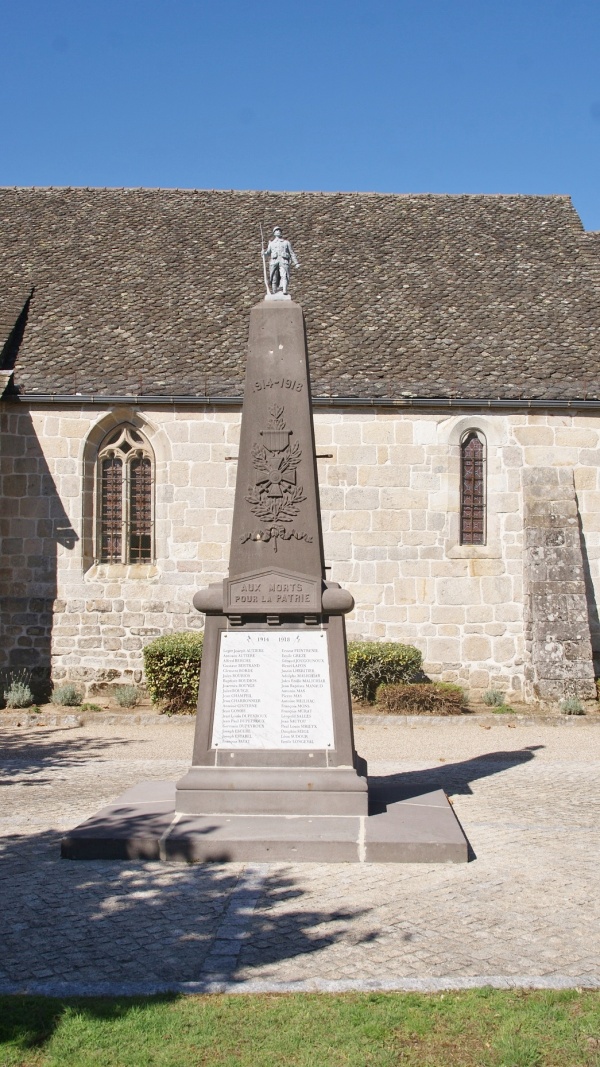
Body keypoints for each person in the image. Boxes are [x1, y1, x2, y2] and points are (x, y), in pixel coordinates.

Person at [262, 226, 300, 295]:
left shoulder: (286, 242)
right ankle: (274, 291)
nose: (278, 232)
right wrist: (264, 253)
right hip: (274, 262)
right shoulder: (271, 243)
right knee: (273, 277)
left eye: (279, 230)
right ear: (274, 233)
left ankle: (284, 290)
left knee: (284, 275)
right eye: (277, 230)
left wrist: (296, 263)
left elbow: (292, 253)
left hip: (283, 261)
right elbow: (268, 253)